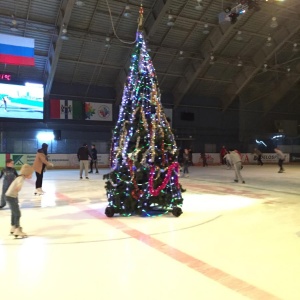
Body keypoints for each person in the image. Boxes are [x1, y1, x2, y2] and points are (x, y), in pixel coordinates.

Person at [5, 164, 34, 238]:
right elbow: (18, 185)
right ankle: (17, 229)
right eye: (31, 174)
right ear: (27, 173)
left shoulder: (20, 177)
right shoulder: (21, 178)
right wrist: (18, 187)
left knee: (14, 213)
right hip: (11, 197)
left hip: (9, 196)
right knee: (18, 213)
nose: (32, 175)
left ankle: (13, 227)